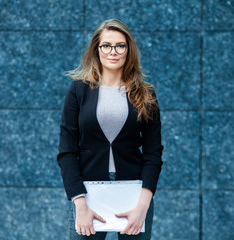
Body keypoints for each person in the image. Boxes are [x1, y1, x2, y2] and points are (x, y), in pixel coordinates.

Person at [57, 19, 163, 240]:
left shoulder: (146, 93)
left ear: (128, 50)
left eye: (120, 45)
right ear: (97, 49)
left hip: (135, 196)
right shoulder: (78, 90)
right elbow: (67, 150)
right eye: (106, 45)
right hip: (88, 196)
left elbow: (153, 153)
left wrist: (143, 206)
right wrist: (80, 203)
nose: (112, 52)